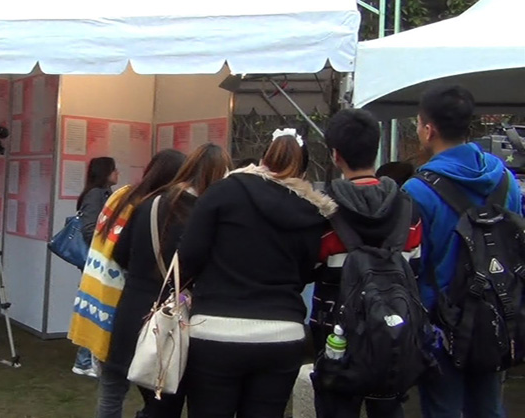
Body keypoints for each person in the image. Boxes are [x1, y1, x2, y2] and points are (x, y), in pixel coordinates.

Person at [179, 131, 336, 418]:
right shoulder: (312, 211)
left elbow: (188, 257)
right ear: (303, 172)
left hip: (215, 328)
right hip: (282, 332)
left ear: (263, 159)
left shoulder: (221, 192)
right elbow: (305, 272)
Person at [403, 86, 521, 418]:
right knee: (489, 407)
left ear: (429, 130)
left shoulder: (417, 190)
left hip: (441, 326)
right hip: (497, 318)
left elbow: (412, 265)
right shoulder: (507, 180)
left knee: (442, 409)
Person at [100, 144, 232, 418]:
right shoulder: (204, 214)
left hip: (134, 311)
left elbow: (121, 253)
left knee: (155, 403)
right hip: (173, 319)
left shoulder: (150, 202)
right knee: (166, 403)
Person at [311, 110, 422, 418]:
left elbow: (310, 267)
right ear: (376, 148)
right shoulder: (407, 207)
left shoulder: (323, 209)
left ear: (335, 155)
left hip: (334, 332)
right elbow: (414, 268)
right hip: (394, 329)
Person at [66, 149, 185, 418]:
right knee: (150, 392)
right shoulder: (151, 206)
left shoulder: (122, 195)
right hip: (123, 299)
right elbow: (128, 253)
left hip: (99, 293)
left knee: (111, 390)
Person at [72, 157, 118, 377]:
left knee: (97, 309)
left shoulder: (103, 194)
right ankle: (84, 361)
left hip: (99, 261)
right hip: (97, 262)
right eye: (113, 169)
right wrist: (109, 245)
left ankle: (90, 359)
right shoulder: (95, 195)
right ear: (105, 172)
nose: (117, 173)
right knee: (95, 309)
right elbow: (89, 229)